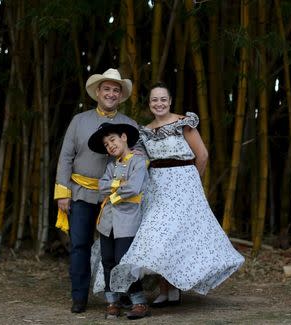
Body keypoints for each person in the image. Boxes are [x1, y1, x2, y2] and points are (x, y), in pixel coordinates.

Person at [107, 82, 245, 306]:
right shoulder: (145, 132)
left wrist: (191, 184)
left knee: (177, 238)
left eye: (163, 99)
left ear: (170, 101)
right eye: (154, 100)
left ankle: (175, 289)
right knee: (159, 237)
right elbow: (138, 159)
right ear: (149, 104)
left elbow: (202, 155)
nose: (159, 103)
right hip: (157, 188)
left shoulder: (184, 123)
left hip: (184, 186)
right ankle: (165, 290)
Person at [54, 68, 139, 314]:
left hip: (117, 199)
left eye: (115, 90)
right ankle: (79, 297)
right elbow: (65, 157)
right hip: (81, 192)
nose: (111, 94)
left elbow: (139, 157)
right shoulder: (79, 121)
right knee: (80, 245)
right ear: (98, 92)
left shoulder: (129, 125)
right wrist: (63, 193)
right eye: (107, 89)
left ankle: (121, 297)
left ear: (120, 95)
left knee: (117, 250)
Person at [87, 122, 150, 320]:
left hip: (128, 221)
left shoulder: (138, 162)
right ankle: (112, 301)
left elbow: (133, 188)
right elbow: (101, 186)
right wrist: (118, 184)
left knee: (125, 262)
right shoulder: (111, 166)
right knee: (108, 262)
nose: (110, 146)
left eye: (112, 140)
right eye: (106, 144)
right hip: (107, 222)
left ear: (123, 137)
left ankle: (138, 301)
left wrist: (113, 191)